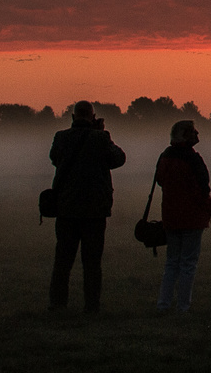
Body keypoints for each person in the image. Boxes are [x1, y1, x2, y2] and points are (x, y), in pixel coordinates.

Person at [48, 100, 126, 312]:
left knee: (63, 261)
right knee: (92, 263)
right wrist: (102, 132)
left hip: (66, 209)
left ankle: (57, 305)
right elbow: (119, 159)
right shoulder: (101, 138)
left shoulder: (61, 137)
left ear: (73, 117)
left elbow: (55, 159)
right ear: (92, 117)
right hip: (95, 211)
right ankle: (91, 306)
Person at [154, 119, 211, 312]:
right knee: (188, 263)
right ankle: (183, 306)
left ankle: (163, 305)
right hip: (192, 217)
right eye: (193, 132)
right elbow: (203, 186)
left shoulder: (165, 157)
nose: (197, 134)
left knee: (172, 262)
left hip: (171, 216)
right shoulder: (192, 159)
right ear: (185, 136)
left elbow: (160, 181)